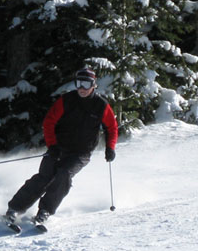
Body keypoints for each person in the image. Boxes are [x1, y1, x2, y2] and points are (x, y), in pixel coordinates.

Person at [6, 67, 119, 226]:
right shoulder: (66, 100)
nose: (82, 88)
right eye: (79, 83)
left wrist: (110, 147)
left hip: (81, 152)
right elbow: (49, 122)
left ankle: (45, 211)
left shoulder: (101, 105)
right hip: (59, 147)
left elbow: (112, 128)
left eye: (86, 84)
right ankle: (14, 209)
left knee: (64, 174)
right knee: (44, 176)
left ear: (94, 85)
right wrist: (52, 145)